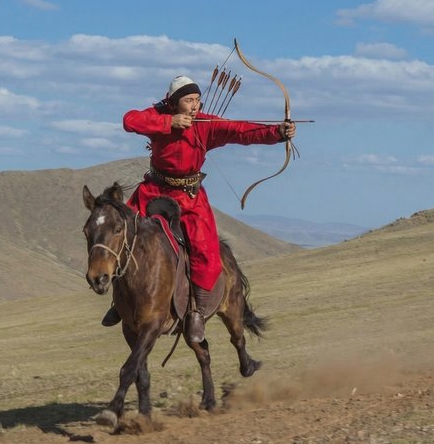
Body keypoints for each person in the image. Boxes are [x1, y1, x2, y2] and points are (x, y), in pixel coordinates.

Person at [101, 75, 296, 343]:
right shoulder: (160, 116)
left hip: (189, 197)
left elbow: (240, 130)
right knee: (123, 235)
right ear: (173, 103)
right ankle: (118, 303)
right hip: (152, 191)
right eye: (188, 101)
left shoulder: (206, 124)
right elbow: (129, 120)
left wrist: (277, 133)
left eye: (197, 100)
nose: (194, 106)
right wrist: (169, 122)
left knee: (206, 250)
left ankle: (196, 313)